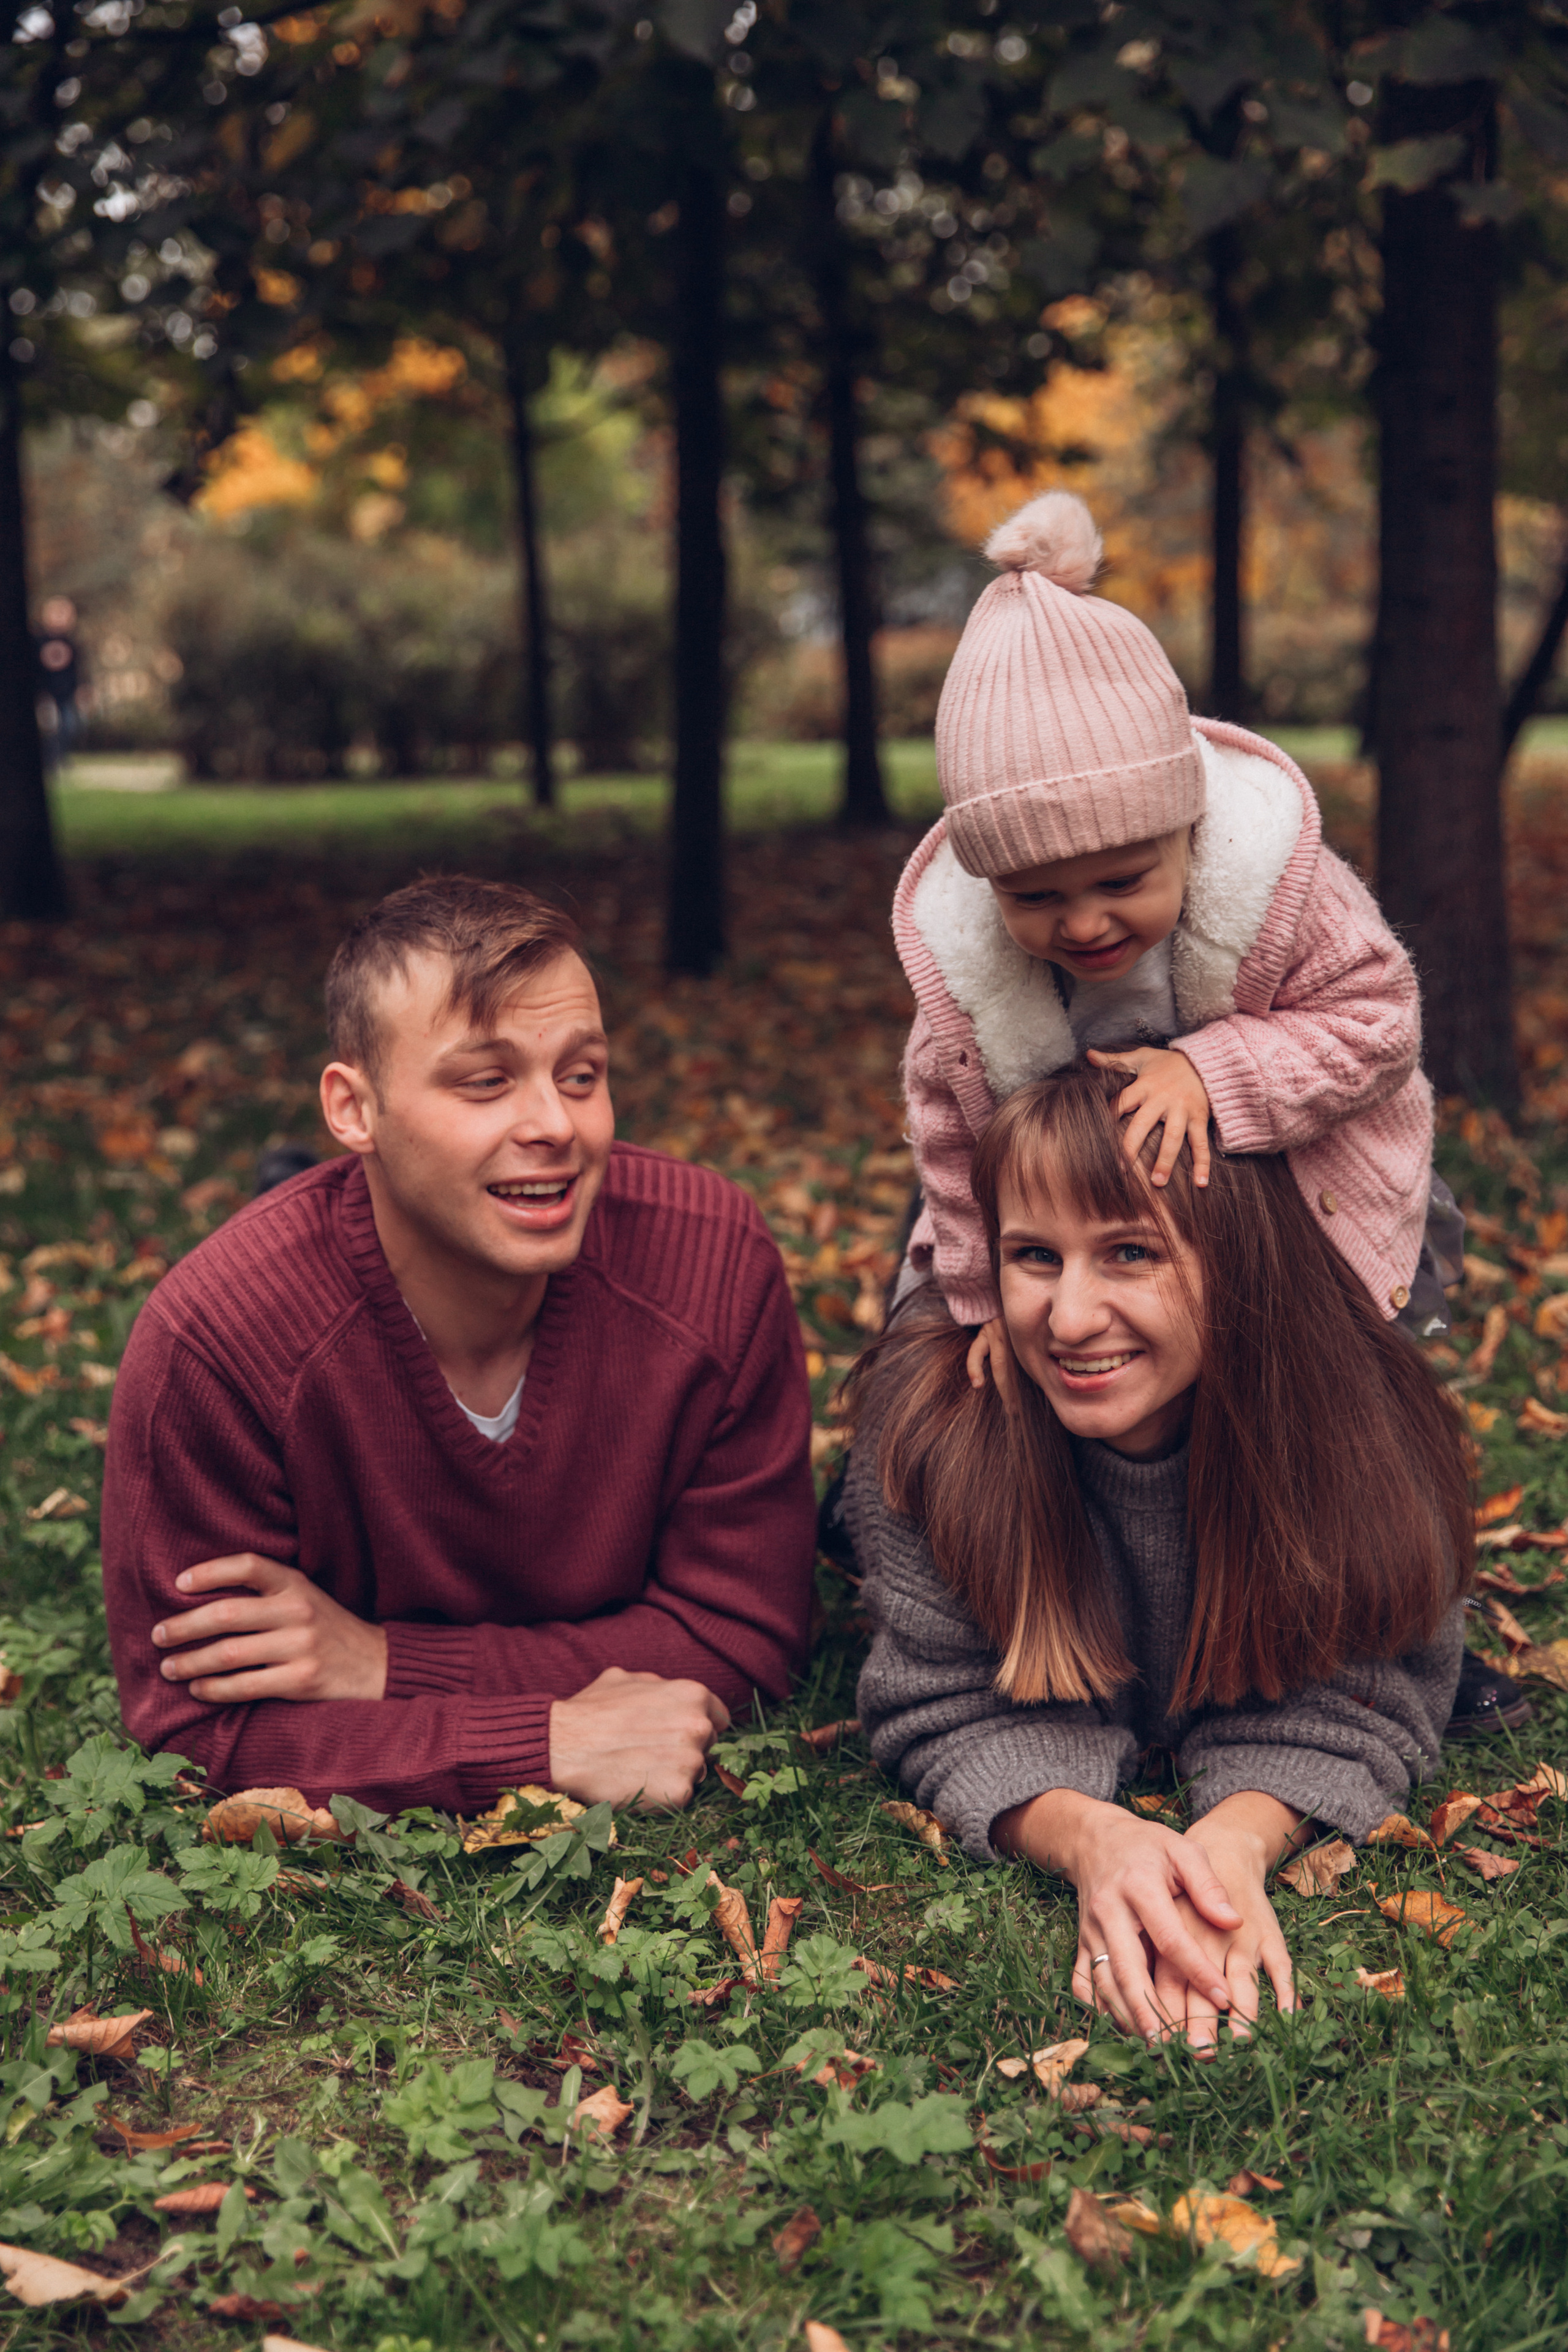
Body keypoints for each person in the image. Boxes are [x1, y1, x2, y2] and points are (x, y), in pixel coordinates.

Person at [891, 486, 1515, 1736]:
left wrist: (1215, 1072)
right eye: (1035, 896)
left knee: (1321, 1379)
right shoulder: (968, 977)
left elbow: (1377, 1023)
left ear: (1185, 829)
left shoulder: (1276, 890)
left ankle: (1380, 1604)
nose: (1080, 926)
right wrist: (969, 1303)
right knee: (970, 1348)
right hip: (1071, 1202)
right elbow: (950, 1143)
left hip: (1304, 1173)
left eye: (1120, 881)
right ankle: (955, 1551)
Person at [102, 878, 816, 1817]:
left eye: (581, 1075)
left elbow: (743, 1630)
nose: (555, 1126)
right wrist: (542, 1745)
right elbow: (199, 1731)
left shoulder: (709, 1260)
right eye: (486, 1081)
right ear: (353, 1110)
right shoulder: (220, 1341)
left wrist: (385, 1663)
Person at [848, 1063, 1470, 2050]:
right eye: (1035, 1257)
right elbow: (942, 1698)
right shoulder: (936, 1427)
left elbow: (1372, 1683)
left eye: (1131, 1252)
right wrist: (1100, 1842)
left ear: (1239, 1262)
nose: (1071, 1317)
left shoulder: (1360, 1434)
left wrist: (1232, 1848)